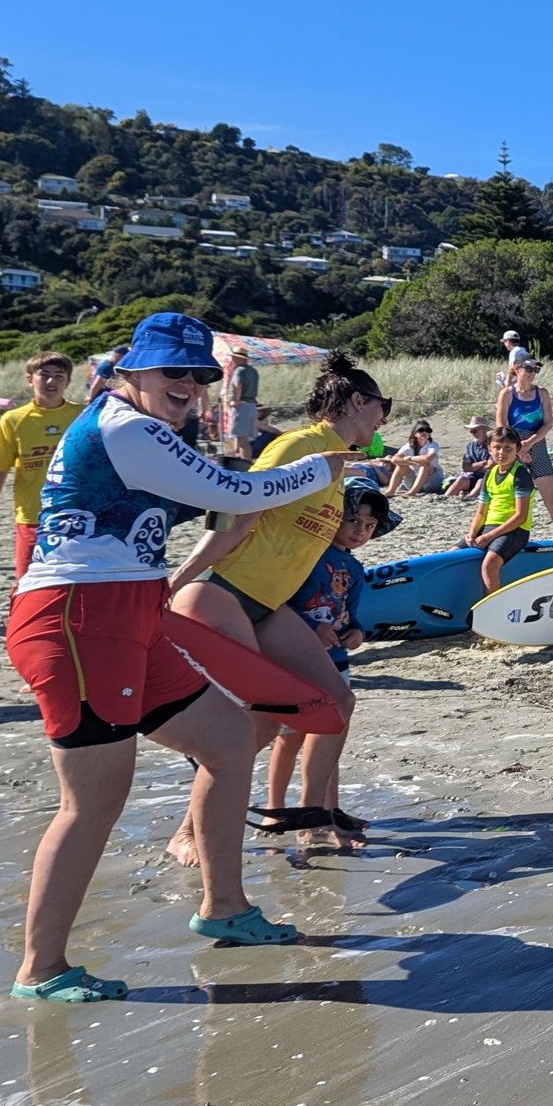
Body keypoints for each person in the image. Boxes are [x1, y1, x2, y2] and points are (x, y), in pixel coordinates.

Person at [5, 312, 353, 1002]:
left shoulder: (151, 430)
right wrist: (321, 467)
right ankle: (40, 969)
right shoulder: (124, 428)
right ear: (131, 372)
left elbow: (217, 496)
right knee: (94, 800)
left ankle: (223, 905)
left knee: (227, 741)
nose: (189, 386)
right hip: (77, 621)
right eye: (174, 372)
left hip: (126, 614)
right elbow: (234, 494)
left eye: (200, 375)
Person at [166, 351, 394, 863]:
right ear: (357, 401)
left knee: (335, 703)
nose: (384, 419)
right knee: (254, 719)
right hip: (221, 590)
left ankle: (311, 822)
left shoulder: (337, 464)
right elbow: (238, 510)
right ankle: (187, 832)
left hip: (270, 606)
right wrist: (179, 578)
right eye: (382, 406)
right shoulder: (299, 446)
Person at [263, 479, 397, 851]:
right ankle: (276, 810)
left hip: (336, 660)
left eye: (369, 526)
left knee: (329, 738)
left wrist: (358, 633)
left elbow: (350, 617)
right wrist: (310, 628)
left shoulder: (353, 569)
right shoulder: (307, 556)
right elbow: (279, 605)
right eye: (353, 520)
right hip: (296, 659)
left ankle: (328, 811)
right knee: (288, 738)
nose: (360, 531)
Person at [0, 351, 80, 580]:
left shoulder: (82, 415)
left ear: (67, 381)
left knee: (74, 584)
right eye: (44, 375)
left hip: (75, 514)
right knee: (27, 583)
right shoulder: (14, 419)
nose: (51, 382)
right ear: (30, 379)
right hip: (32, 516)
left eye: (58, 376)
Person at [494, 354, 553, 535]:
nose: (532, 373)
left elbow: (548, 423)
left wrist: (530, 442)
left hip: (537, 444)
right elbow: (501, 426)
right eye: (528, 368)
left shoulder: (541, 393)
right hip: (511, 446)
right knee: (510, 500)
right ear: (517, 369)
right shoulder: (507, 393)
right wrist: (518, 449)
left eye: (536, 369)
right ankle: (502, 536)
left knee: (552, 501)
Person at [465, 427, 536, 595]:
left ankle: (493, 611)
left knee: (490, 564)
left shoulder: (520, 475)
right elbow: (481, 512)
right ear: (489, 449)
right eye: (497, 448)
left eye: (508, 448)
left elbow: (520, 516)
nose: (502, 453)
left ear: (517, 449)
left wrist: (488, 537)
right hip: (489, 527)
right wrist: (472, 533)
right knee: (453, 554)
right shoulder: (489, 474)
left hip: (515, 530)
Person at [220, 351, 262, 467]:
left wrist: (235, 400)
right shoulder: (253, 371)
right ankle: (242, 461)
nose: (233, 359)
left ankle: (244, 464)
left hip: (242, 405)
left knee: (241, 439)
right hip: (251, 405)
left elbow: (237, 384)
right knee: (244, 439)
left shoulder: (239, 371)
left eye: (234, 357)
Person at [382, 421, 443, 496]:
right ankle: (390, 491)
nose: (424, 432)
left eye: (427, 430)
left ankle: (412, 493)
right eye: (421, 430)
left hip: (431, 482)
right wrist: (411, 463)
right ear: (415, 433)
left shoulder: (433, 445)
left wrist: (410, 458)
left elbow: (427, 459)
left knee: (424, 466)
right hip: (413, 480)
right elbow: (394, 459)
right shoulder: (409, 446)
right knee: (401, 465)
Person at [443, 415, 494, 499]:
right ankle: (446, 498)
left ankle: (470, 497)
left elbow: (489, 466)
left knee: (481, 482)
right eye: (472, 431)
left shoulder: (492, 444)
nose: (474, 434)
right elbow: (465, 468)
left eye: (476, 430)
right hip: (474, 476)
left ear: (484, 430)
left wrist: (473, 466)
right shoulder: (470, 446)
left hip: (489, 476)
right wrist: (482, 463)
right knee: (460, 480)